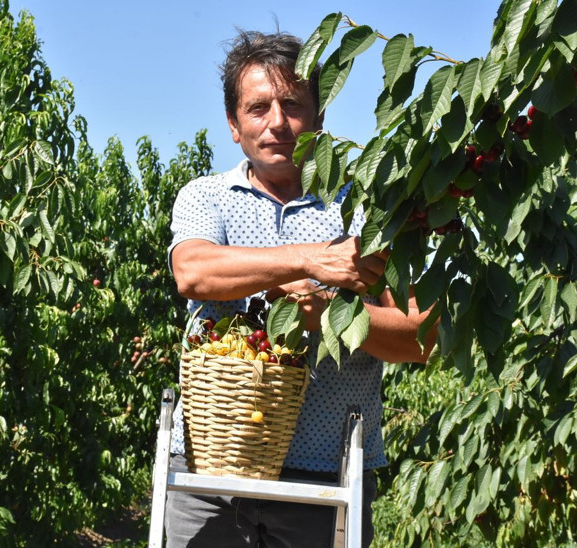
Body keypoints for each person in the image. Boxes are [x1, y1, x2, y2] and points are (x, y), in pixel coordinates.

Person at [164, 29, 436, 547]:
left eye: (292, 105)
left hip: (327, 473)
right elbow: (194, 273)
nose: (277, 123)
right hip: (210, 466)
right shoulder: (207, 197)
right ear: (233, 125)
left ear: (319, 118)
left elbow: (418, 337)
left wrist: (329, 315)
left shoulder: (365, 207)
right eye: (257, 108)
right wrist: (312, 260)